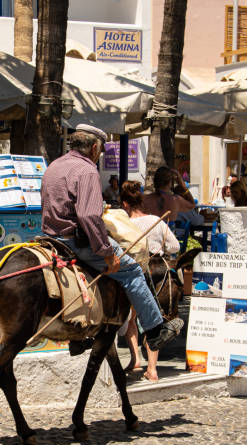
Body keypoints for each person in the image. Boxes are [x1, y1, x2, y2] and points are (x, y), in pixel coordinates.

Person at [41, 124, 184, 355]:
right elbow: (88, 215)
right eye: (100, 151)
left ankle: (82, 331)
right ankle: (155, 329)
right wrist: (106, 251)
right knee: (132, 270)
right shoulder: (86, 170)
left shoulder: (55, 166)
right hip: (78, 241)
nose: (99, 155)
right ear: (94, 147)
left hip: (51, 238)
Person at [119, 180, 180, 381]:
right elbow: (175, 247)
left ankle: (136, 360)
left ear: (125, 205)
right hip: (159, 273)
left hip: (136, 274)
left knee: (133, 319)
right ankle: (152, 369)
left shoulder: (124, 225)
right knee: (154, 321)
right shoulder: (156, 220)